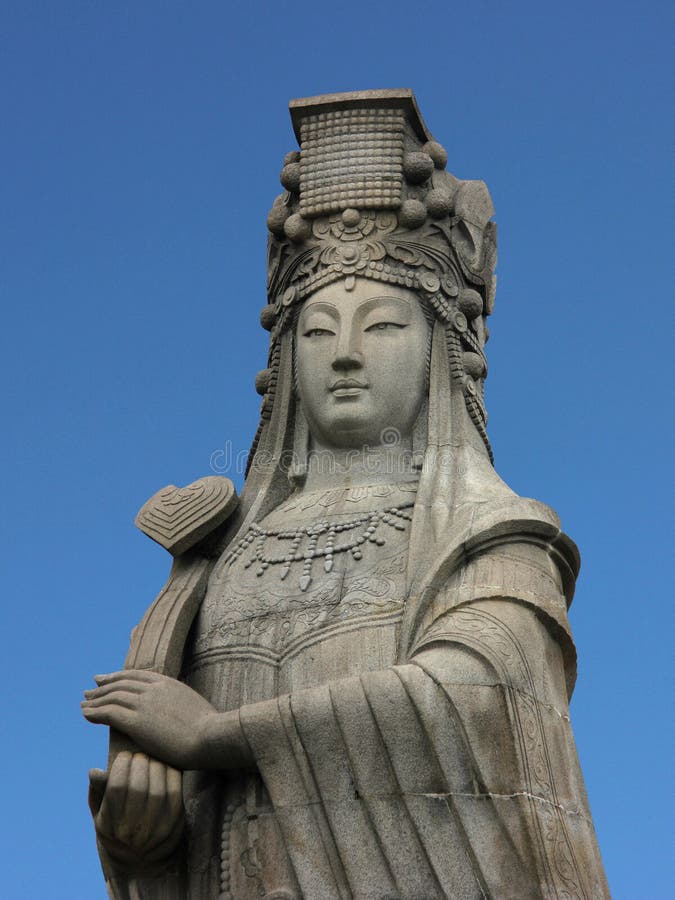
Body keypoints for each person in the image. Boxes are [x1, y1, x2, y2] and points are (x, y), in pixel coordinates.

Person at [83, 90, 609, 899]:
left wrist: (218, 735)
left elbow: (472, 699)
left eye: (385, 327)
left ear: (441, 352)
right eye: (319, 331)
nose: (347, 356)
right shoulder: (215, 561)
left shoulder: (488, 533)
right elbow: (176, 811)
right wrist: (140, 837)